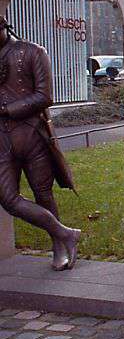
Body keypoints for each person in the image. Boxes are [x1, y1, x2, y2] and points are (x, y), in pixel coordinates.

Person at [0, 15, 81, 270]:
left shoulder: (34, 52)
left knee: (43, 193)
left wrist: (7, 109)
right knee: (8, 198)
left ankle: (59, 245)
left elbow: (44, 96)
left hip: (33, 135)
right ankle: (66, 233)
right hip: (2, 139)